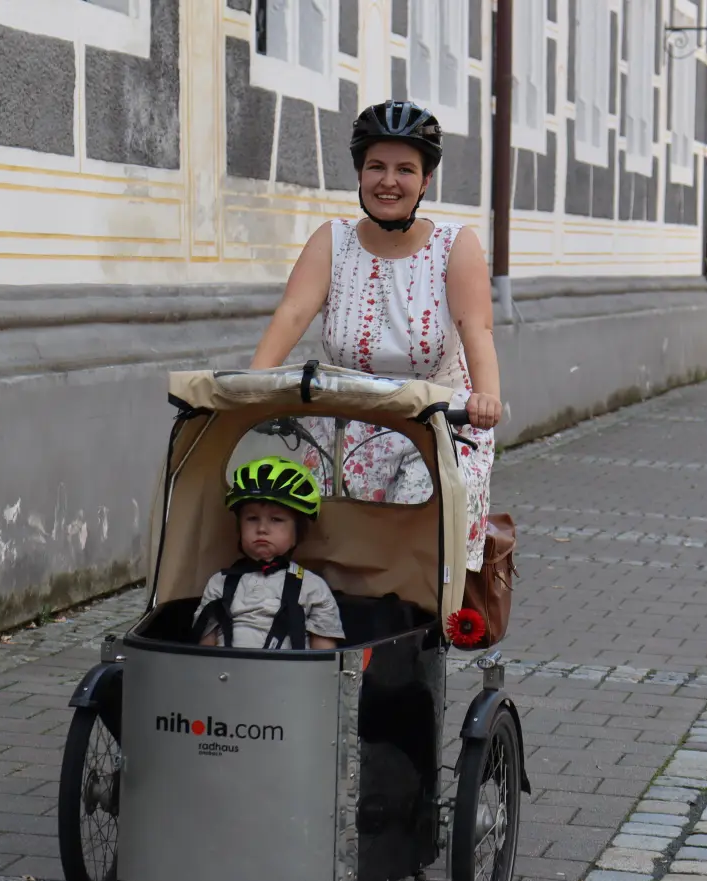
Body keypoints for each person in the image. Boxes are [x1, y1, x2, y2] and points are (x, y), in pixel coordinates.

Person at [248, 99, 502, 581]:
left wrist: (486, 398)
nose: (389, 180)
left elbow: (477, 328)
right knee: (325, 554)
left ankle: (422, 638)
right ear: (360, 174)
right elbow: (294, 312)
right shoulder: (334, 240)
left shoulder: (453, 244)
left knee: (412, 555)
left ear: (425, 181)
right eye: (376, 166)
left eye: (405, 169)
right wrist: (248, 387)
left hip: (437, 424)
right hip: (348, 427)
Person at [192, 456, 346, 650]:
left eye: (276, 519)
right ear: (239, 529)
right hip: (226, 676)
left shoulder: (313, 588)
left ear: (297, 534)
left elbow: (324, 658)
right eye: (252, 518)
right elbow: (204, 650)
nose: (262, 528)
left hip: (289, 678)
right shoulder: (219, 584)